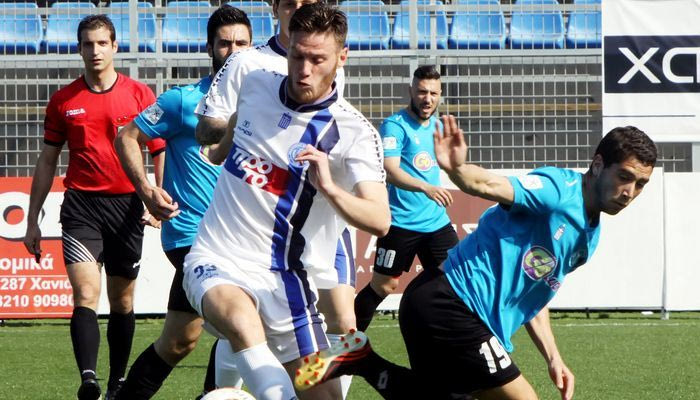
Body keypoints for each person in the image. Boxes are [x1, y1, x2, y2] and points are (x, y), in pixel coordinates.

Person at [296, 120, 657, 400]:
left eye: (640, 184)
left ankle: (362, 360)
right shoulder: (558, 191)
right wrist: (458, 169)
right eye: (624, 177)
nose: (630, 192)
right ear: (598, 165)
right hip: (451, 303)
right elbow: (488, 184)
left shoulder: (588, 238)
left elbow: (534, 293)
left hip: (443, 307)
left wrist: (553, 356)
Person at [182, 4, 388, 399]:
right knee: (241, 321)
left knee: (325, 395)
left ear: (342, 58)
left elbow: (380, 219)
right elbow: (229, 131)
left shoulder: (354, 133)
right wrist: (221, 150)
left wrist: (330, 188)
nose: (304, 70)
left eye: (317, 59)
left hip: (287, 280)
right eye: (297, 55)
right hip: (218, 256)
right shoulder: (255, 81)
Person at [112, 7, 253, 399]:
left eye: (242, 43)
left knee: (178, 341)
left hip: (244, 236)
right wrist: (146, 190)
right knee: (243, 320)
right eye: (225, 43)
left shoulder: (267, 103)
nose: (233, 51)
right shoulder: (181, 100)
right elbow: (126, 137)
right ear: (210, 47)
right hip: (193, 235)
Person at [22, 15, 165, 400]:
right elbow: (47, 161)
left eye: (102, 43)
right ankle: (89, 381)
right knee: (85, 293)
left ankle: (117, 381)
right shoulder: (63, 100)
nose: (95, 50)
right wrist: (32, 220)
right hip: (81, 206)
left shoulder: (140, 95)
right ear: (79, 48)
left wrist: (155, 195)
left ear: (115, 46)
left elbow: (158, 149)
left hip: (128, 207)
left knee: (122, 300)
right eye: (88, 43)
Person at [354, 65, 458, 332]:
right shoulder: (394, 126)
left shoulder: (438, 127)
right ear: (410, 91)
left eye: (433, 93)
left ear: (440, 94)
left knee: (456, 282)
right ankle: (347, 343)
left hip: (436, 223)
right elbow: (390, 170)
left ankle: (448, 344)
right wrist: (426, 188)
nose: (427, 99)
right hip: (401, 223)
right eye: (422, 92)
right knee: (384, 286)